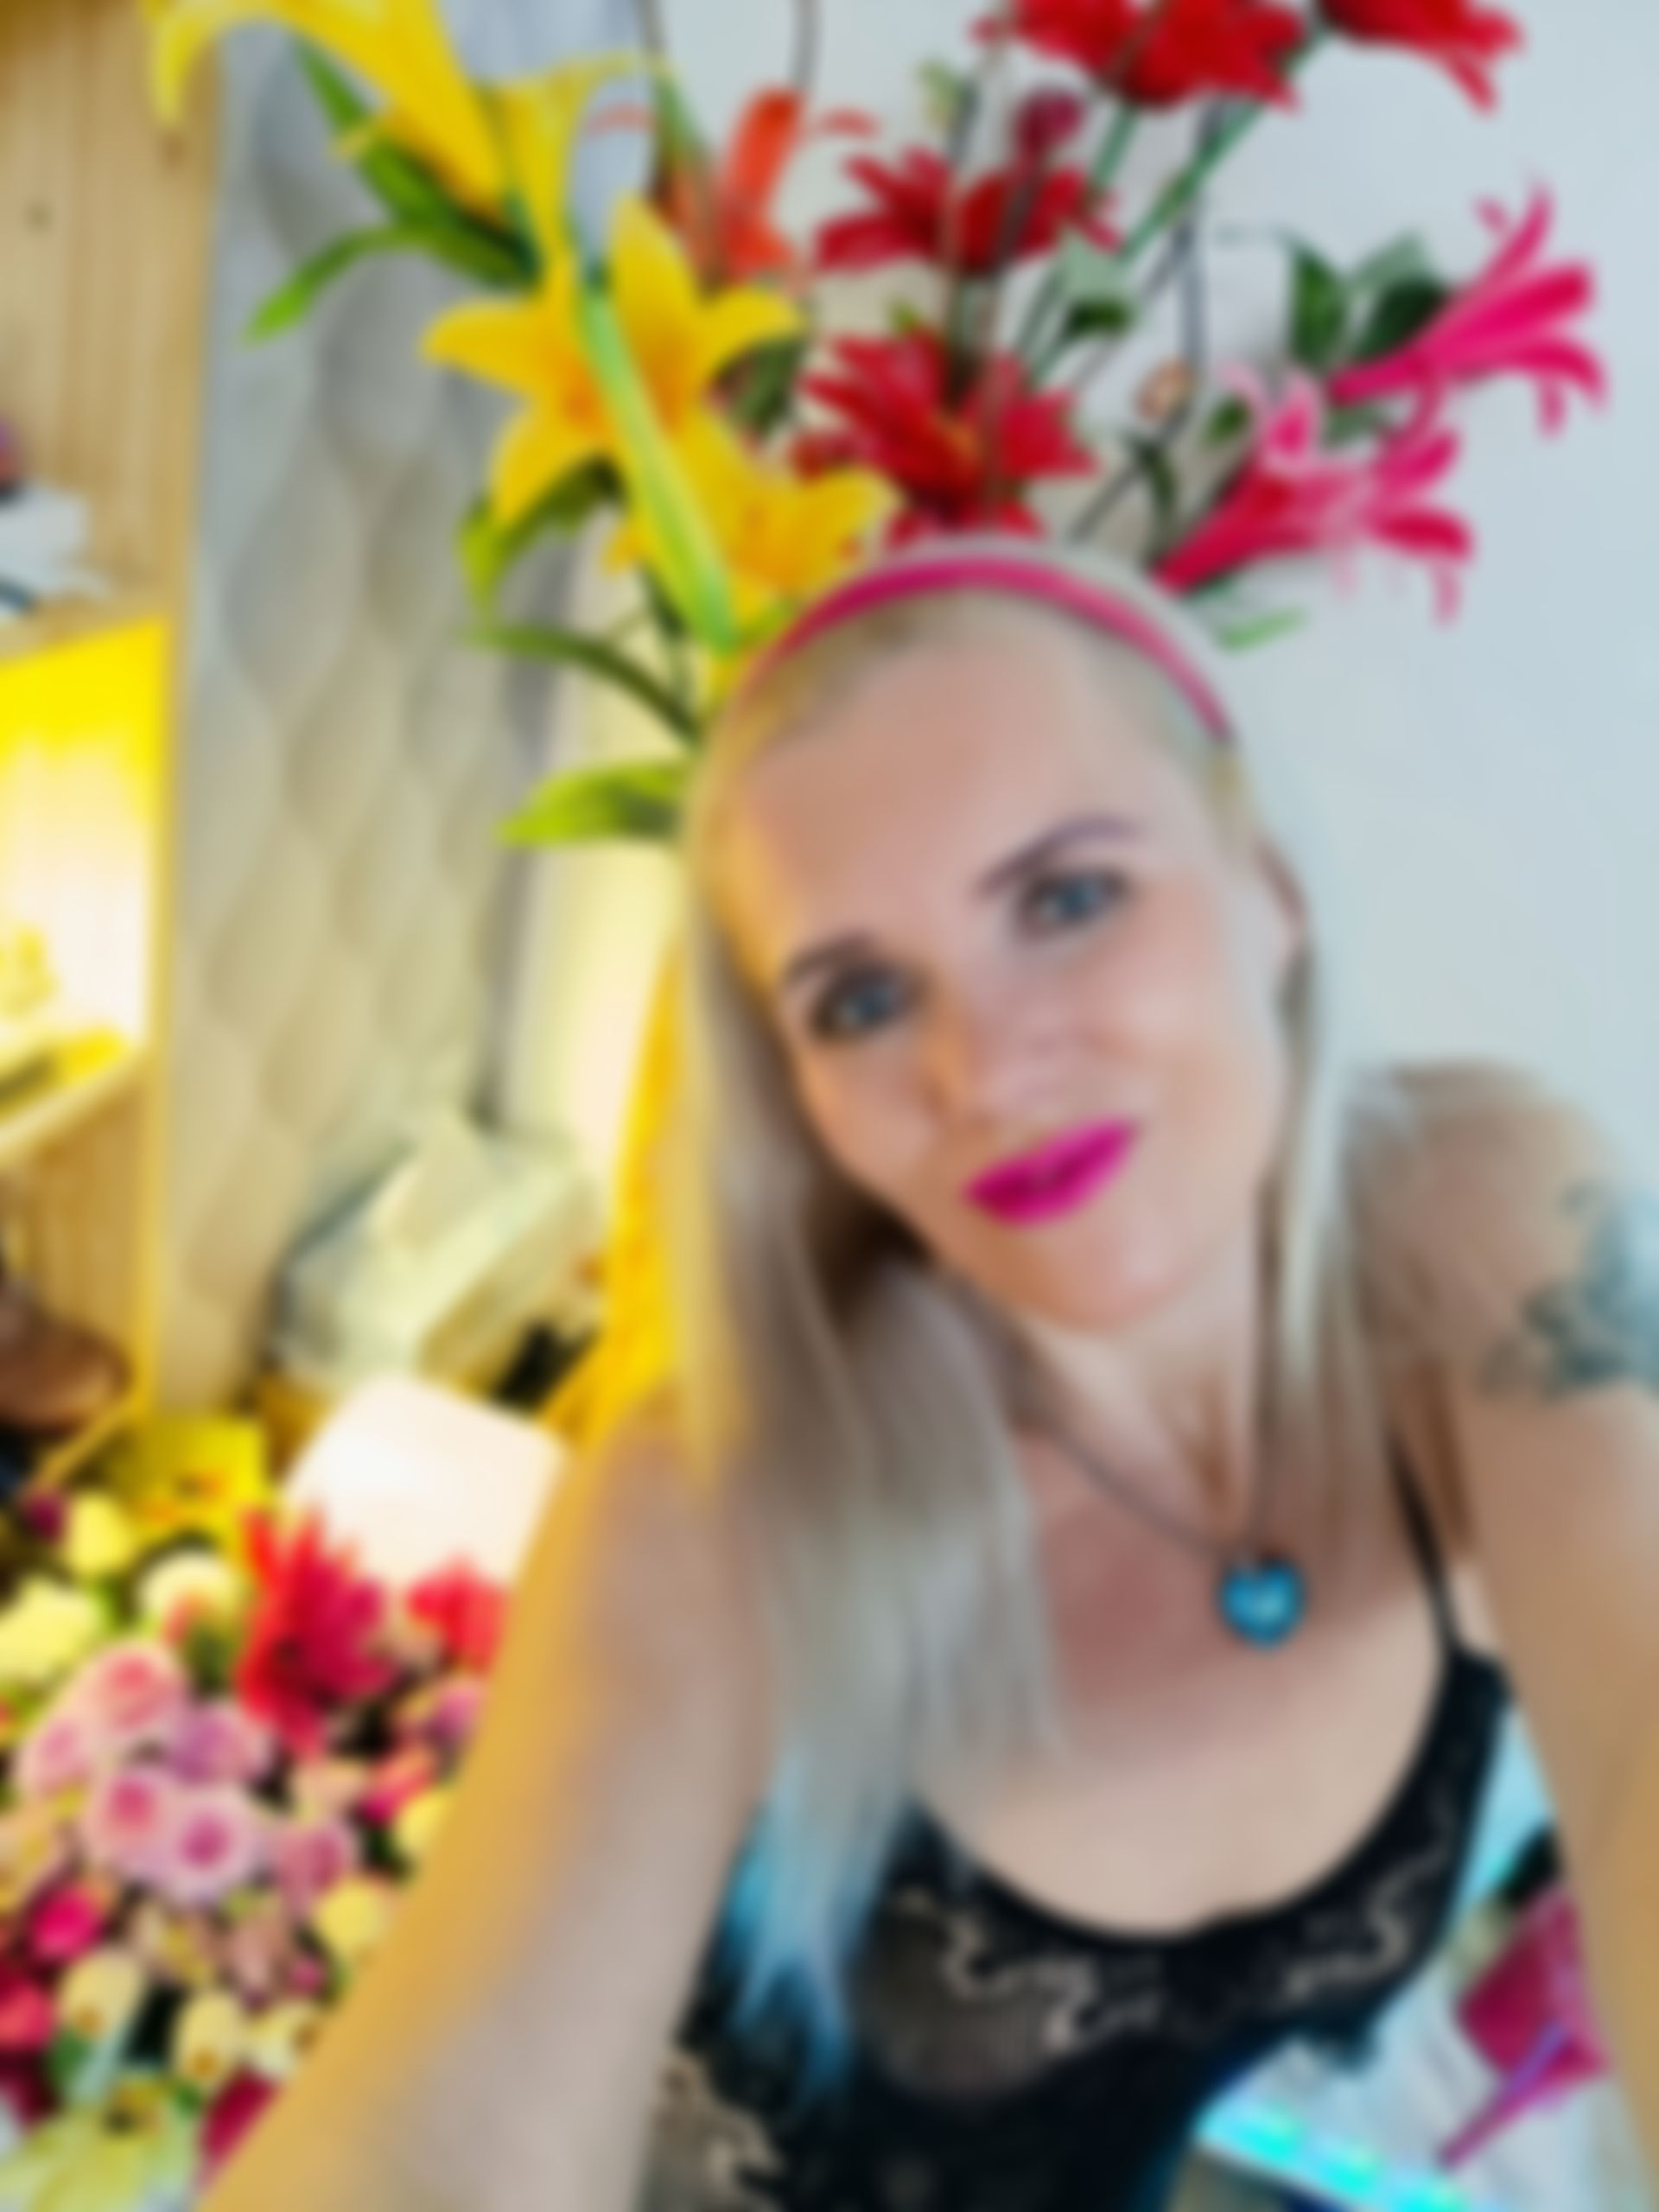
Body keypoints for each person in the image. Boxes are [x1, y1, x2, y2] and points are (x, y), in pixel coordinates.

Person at [202, 540, 1659, 2211]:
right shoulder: (723, 1499)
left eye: (1069, 899)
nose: (985, 1072)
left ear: (1269, 885)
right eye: (865, 999)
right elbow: (438, 2139)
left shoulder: (1478, 1225)